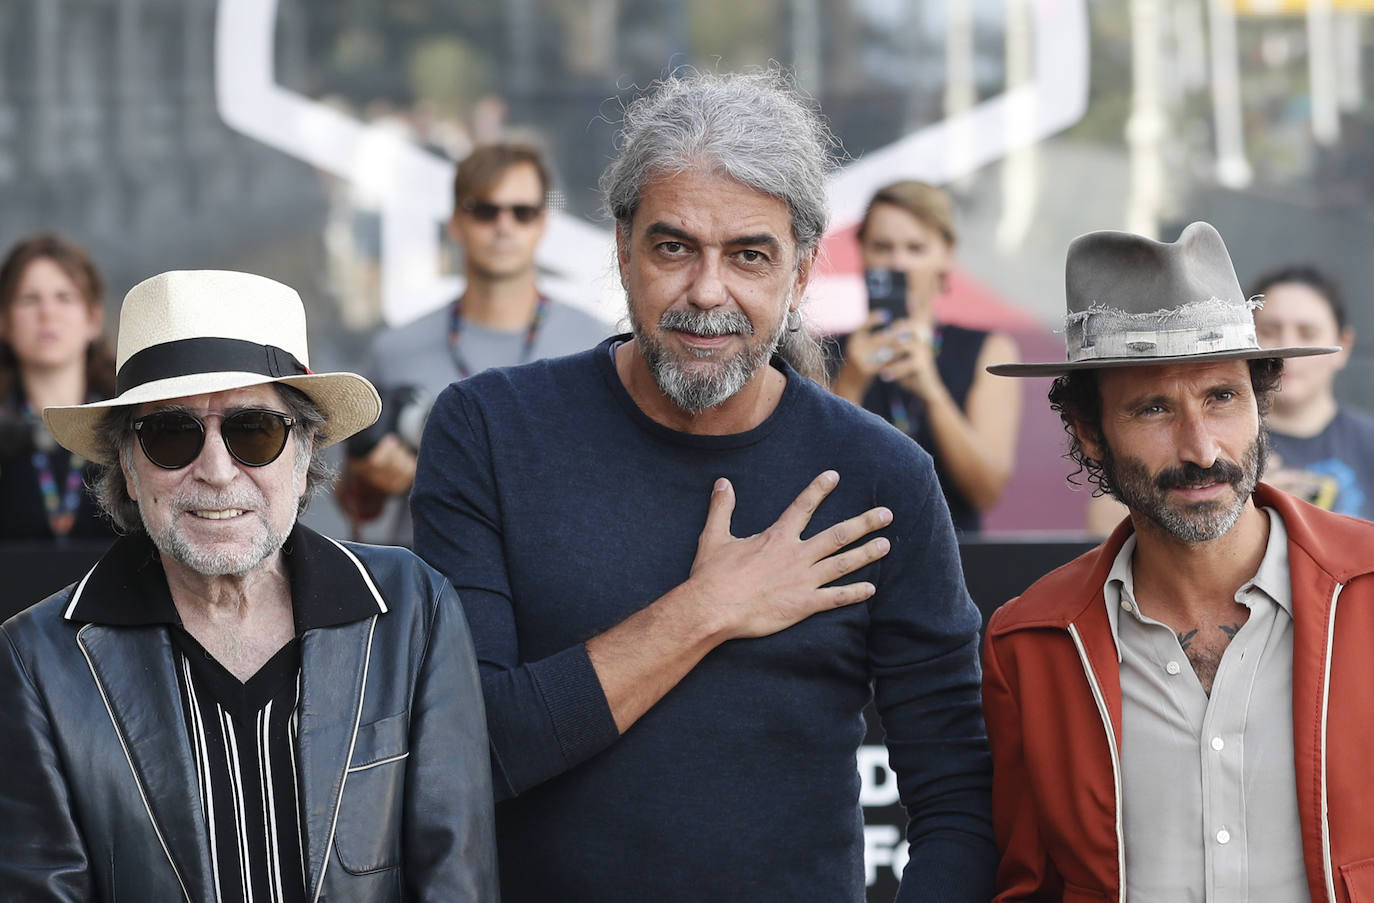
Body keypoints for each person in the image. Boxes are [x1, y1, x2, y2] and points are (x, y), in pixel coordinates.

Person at [411, 69, 996, 903]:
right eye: (673, 246)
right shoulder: (492, 430)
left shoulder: (880, 474)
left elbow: (957, 790)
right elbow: (478, 748)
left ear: (798, 276)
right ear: (622, 250)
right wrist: (708, 607)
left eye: (749, 256)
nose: (707, 292)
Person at [0, 270, 496, 901]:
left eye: (254, 431)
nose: (214, 469)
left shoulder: (410, 608)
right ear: (127, 464)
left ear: (305, 450)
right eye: (171, 434)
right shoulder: (39, 661)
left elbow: (457, 878)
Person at [980, 221, 1374, 902]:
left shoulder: (1366, 589)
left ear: (1260, 402)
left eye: (1222, 396)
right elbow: (1030, 885)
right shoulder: (1032, 644)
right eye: (1154, 407)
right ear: (1089, 433)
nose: (1200, 447)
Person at [340, 141, 610, 543]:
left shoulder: (597, 344)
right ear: (455, 222)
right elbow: (354, 503)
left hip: (557, 588)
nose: (504, 226)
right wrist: (374, 479)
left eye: (522, 212)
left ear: (542, 224)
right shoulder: (395, 350)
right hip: (427, 590)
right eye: (485, 210)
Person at [828, 181, 1021, 532]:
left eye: (915, 248)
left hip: (956, 562)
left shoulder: (988, 351)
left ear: (945, 255)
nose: (898, 262)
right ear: (862, 253)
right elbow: (816, 476)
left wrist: (932, 391)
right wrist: (852, 382)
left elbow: (986, 491)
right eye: (882, 247)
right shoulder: (825, 354)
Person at [0, 233, 119, 540]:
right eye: (29, 300)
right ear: (4, 321)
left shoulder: (128, 421)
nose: (47, 314)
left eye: (64, 298)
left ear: (93, 319)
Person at [1251, 265, 1374, 520]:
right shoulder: (1219, 448)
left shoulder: (1368, 444)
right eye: (1269, 332)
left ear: (1344, 345)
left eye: (1307, 333)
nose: (1287, 349)